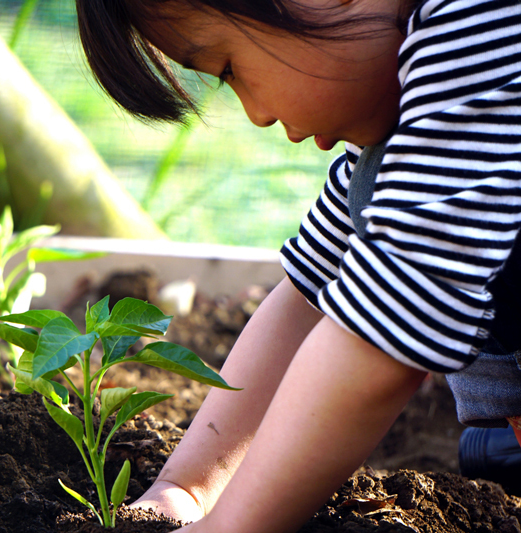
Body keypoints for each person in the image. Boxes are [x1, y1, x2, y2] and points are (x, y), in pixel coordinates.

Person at [73, 0, 521, 530]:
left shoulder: (487, 23)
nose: (257, 114)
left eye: (230, 69)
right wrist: (187, 488)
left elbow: (391, 318)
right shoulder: (410, 118)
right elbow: (312, 286)